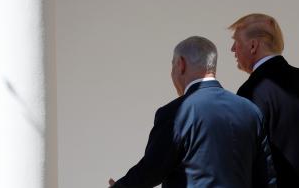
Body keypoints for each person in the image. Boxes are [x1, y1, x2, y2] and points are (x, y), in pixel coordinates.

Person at [109, 36, 276, 188]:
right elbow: (267, 180)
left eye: (172, 65)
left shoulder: (176, 112)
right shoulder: (251, 111)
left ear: (180, 64)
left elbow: (151, 170)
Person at [228, 14, 299, 188]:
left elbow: (246, 159)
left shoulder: (251, 90)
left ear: (253, 46)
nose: (232, 49)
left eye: (236, 41)